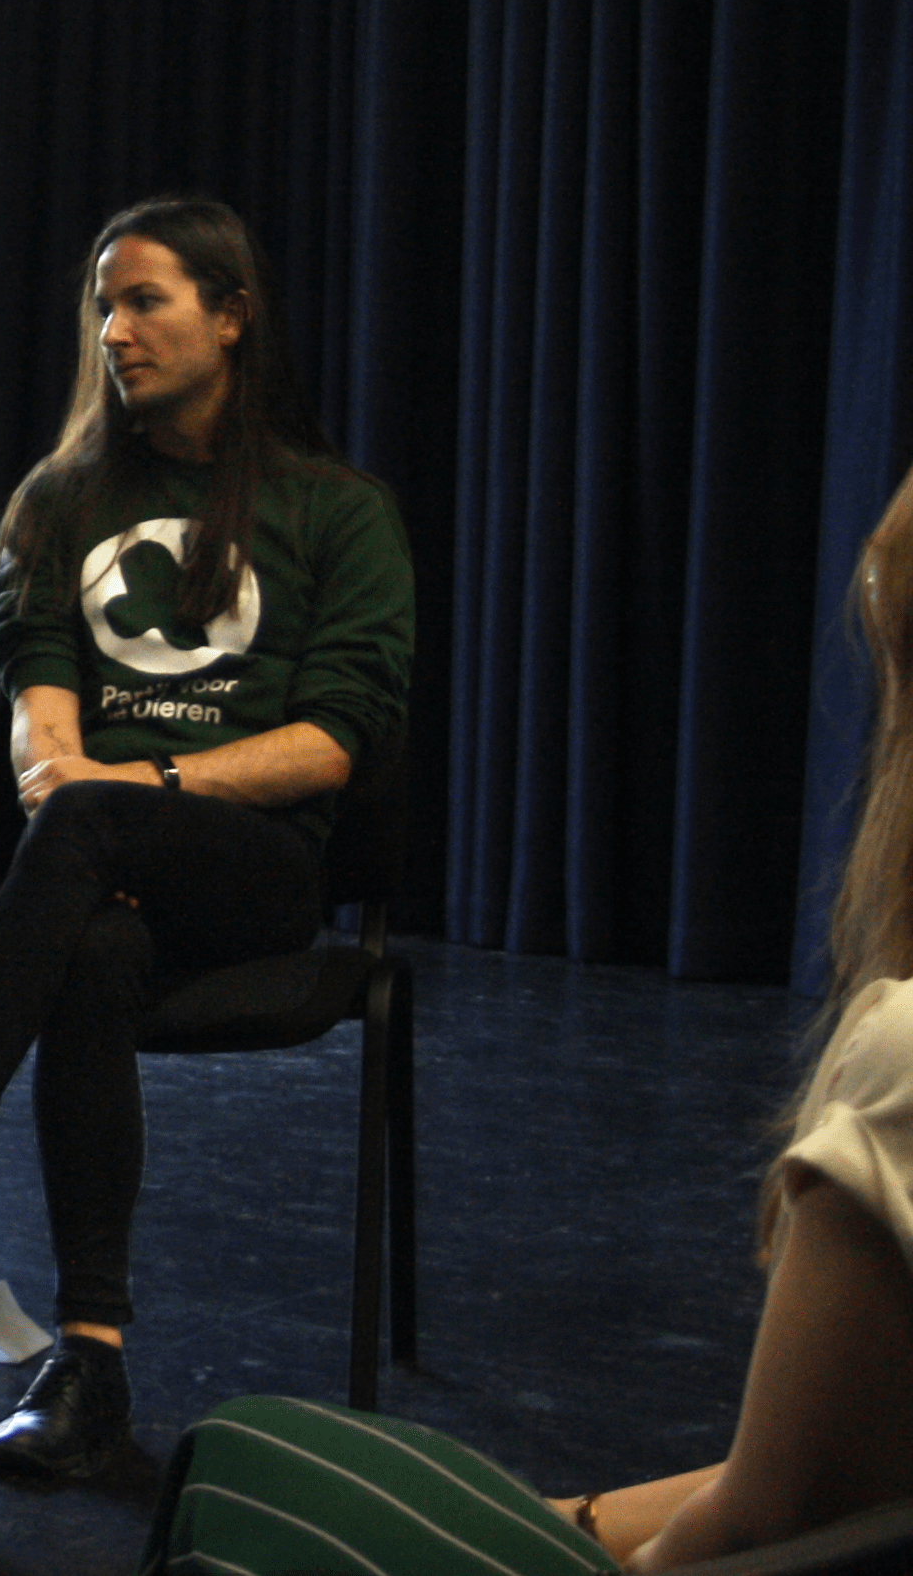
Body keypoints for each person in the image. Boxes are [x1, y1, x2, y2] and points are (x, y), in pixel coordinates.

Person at [142, 471, 913, 1572]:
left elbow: (762, 1521)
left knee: (240, 1464)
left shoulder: (901, 1056)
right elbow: (828, 1470)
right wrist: (575, 1516)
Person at [0, 196, 415, 1477]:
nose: (115, 330)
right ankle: (92, 1364)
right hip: (86, 874)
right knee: (83, 943)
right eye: (103, 305)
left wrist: (148, 790)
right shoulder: (58, 503)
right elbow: (41, 729)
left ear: (233, 317)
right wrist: (92, 800)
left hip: (257, 871)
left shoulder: (337, 513)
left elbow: (334, 743)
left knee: (88, 827)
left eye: (146, 301)